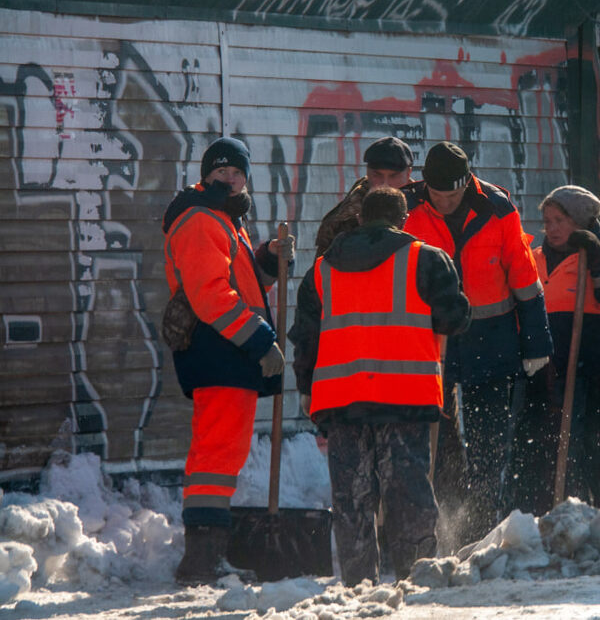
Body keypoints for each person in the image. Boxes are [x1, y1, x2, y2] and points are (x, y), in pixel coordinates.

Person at [290, 187, 470, 585]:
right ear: (402, 219)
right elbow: (454, 318)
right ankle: (417, 577)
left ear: (361, 219)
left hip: (340, 402)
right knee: (407, 495)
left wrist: (306, 386)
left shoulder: (321, 269)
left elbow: (305, 338)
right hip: (405, 397)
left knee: (352, 499)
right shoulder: (426, 259)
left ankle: (357, 585)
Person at [402, 142, 554, 547]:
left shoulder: (498, 209)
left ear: (467, 183)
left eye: (452, 194)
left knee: (489, 441)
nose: (445, 202)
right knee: (440, 438)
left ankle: (480, 529)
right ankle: (439, 524)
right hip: (432, 343)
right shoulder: (408, 209)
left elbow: (523, 276)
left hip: (492, 340)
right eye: (437, 195)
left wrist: (535, 340)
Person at [162, 136, 293, 585]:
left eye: (237, 172)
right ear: (206, 174)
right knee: (217, 455)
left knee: (218, 452)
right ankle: (202, 560)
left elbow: (242, 286)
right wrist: (260, 342)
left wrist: (268, 261)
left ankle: (206, 557)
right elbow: (212, 297)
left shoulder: (223, 218)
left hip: (224, 353)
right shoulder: (201, 219)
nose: (230, 178)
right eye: (222, 171)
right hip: (219, 351)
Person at [530, 185, 600, 509]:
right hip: (553, 372)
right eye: (548, 221)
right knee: (560, 447)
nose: (552, 228)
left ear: (580, 221)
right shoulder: (535, 258)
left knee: (598, 446)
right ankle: (562, 510)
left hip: (594, 371)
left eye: (560, 220)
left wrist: (596, 257)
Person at [315, 136, 415, 257]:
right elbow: (322, 270)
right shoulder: (344, 220)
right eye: (377, 175)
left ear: (408, 173)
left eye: (393, 176)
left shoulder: (426, 206)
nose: (385, 183)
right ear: (367, 172)